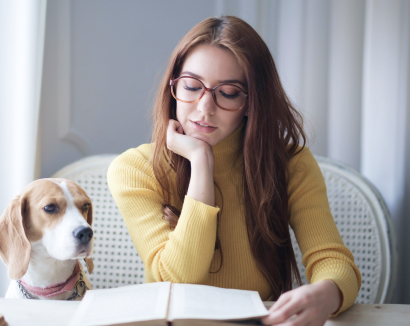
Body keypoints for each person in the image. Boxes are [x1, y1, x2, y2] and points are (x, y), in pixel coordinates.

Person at [107, 16, 361, 326]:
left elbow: (332, 259)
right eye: (191, 86)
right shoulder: (135, 169)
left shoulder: (291, 164)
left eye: (227, 93)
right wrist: (201, 161)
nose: (204, 107)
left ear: (252, 102)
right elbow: (176, 277)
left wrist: (327, 293)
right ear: (173, 86)